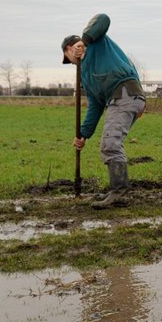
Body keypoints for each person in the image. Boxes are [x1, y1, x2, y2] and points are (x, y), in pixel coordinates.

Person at [62, 13, 146, 209]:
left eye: (68, 58)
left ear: (68, 49)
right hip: (118, 100)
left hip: (126, 93)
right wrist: (83, 134)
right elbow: (95, 105)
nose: (71, 62)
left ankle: (120, 192)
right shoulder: (85, 74)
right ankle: (118, 190)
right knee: (111, 143)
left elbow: (103, 19)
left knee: (110, 144)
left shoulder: (95, 40)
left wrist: (84, 40)